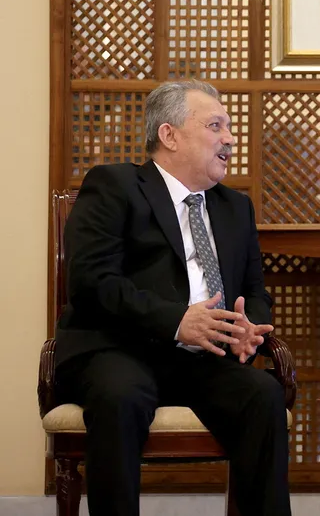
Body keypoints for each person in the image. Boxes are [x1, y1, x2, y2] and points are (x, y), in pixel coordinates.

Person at [53, 80, 291, 516]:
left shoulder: (235, 207)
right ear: (170, 135)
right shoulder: (115, 185)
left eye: (229, 127)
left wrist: (249, 328)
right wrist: (177, 320)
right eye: (215, 126)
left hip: (202, 360)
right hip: (118, 349)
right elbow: (91, 281)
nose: (230, 139)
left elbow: (254, 291)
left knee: (263, 395)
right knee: (121, 396)